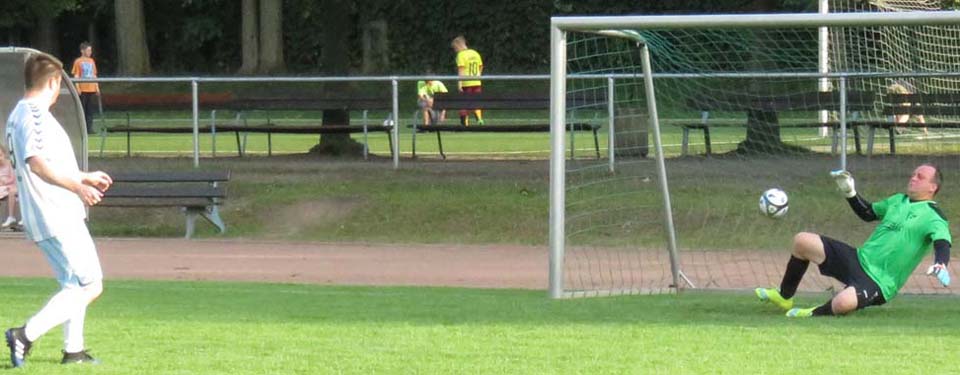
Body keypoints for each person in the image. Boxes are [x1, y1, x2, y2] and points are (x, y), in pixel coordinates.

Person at [4, 52, 113, 367]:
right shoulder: (34, 115)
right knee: (91, 285)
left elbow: (48, 162)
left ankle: (73, 350)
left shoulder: (19, 114)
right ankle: (25, 334)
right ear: (52, 82)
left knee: (73, 284)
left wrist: (83, 175)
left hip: (49, 212)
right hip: (55, 211)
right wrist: (77, 188)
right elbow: (37, 164)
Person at [756, 164, 951, 317]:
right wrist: (850, 193)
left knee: (843, 303)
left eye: (920, 177)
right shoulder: (897, 200)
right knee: (802, 241)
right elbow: (868, 213)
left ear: (933, 187)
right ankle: (784, 296)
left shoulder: (934, 215)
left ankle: (813, 313)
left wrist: (941, 264)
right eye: (914, 174)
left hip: (880, 282)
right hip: (858, 259)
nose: (913, 178)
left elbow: (942, 242)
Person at [451, 35, 483, 126]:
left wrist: (459, 84)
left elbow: (461, 70)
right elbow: (481, 66)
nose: (455, 50)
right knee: (476, 101)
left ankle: (464, 123)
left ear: (458, 45)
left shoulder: (461, 55)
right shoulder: (475, 53)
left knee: (463, 103)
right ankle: (479, 119)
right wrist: (478, 76)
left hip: (466, 83)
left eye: (455, 48)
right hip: (477, 82)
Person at [70, 42, 100, 134]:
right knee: (82, 109)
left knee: (90, 110)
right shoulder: (78, 61)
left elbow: (94, 74)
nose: (90, 52)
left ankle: (89, 128)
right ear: (82, 51)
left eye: (90, 50)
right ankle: (81, 129)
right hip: (83, 89)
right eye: (88, 50)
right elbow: (76, 75)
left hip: (91, 88)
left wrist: (97, 87)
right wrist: (77, 87)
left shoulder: (91, 61)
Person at [0, 149, 19, 230]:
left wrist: (5, 182)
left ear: (4, 154)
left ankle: (11, 217)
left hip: (10, 185)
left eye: (0, 155)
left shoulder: (9, 164)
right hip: (2, 187)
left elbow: (13, 178)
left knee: (11, 191)